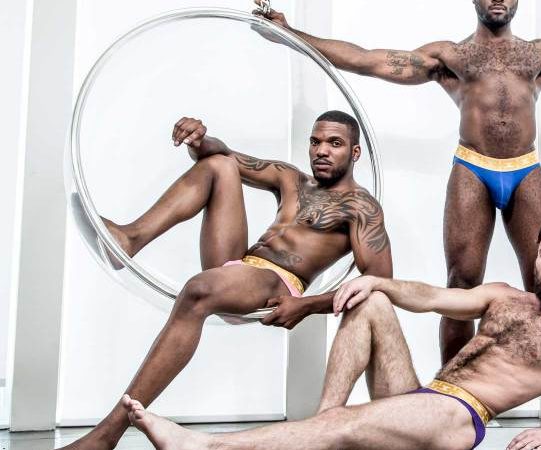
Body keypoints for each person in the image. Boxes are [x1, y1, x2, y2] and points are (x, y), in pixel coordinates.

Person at [253, 0, 541, 416]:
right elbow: (367, 60)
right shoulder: (451, 56)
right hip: (472, 169)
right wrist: (291, 33)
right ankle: (448, 395)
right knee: (460, 283)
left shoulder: (540, 55)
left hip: (525, 169)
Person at [120, 220, 541, 450]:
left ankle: (208, 448)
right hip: (424, 396)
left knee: (347, 426)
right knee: (370, 300)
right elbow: (431, 297)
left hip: (458, 419)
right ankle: (320, 422)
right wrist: (380, 282)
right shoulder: (504, 296)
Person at [62, 111, 393, 450]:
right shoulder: (291, 179)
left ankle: (107, 435)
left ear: (354, 152)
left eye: (334, 143)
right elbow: (225, 153)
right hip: (239, 265)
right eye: (315, 141)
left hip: (277, 284)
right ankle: (129, 240)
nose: (321, 150)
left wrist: (306, 306)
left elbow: (380, 281)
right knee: (220, 164)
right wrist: (199, 140)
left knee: (198, 290)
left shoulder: (361, 208)